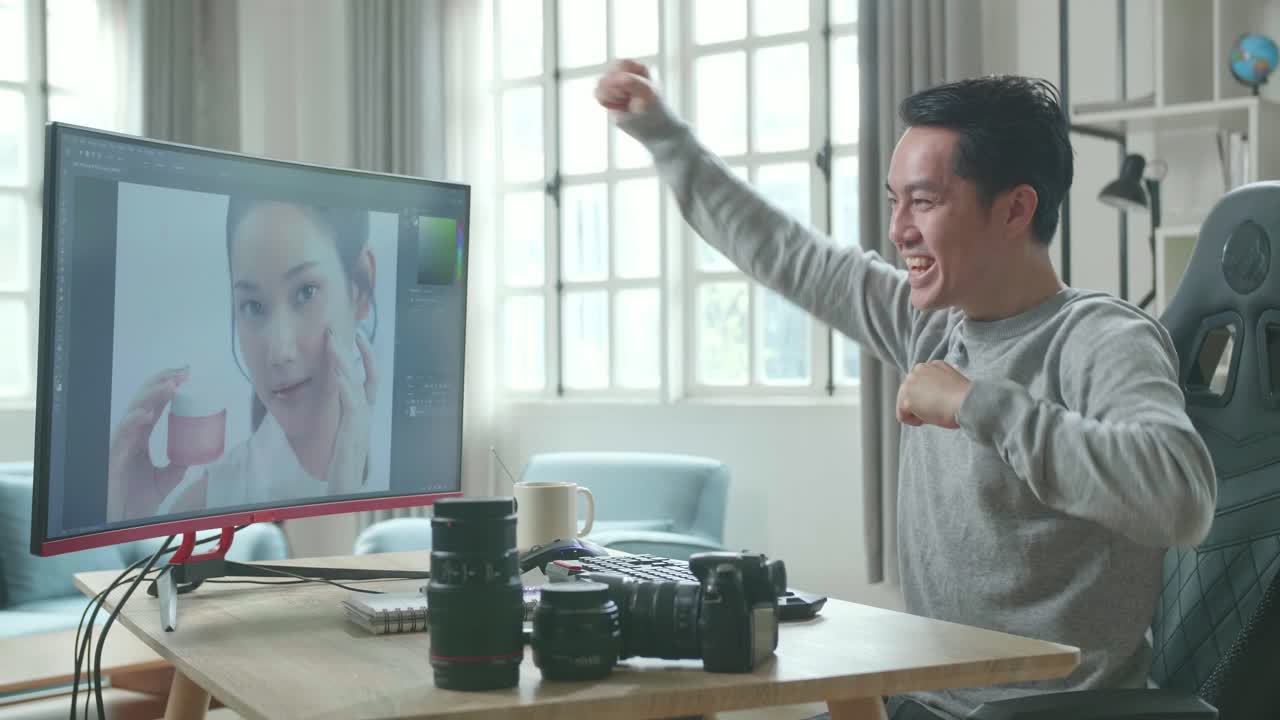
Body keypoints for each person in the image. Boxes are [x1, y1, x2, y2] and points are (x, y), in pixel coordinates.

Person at [595, 60, 1217, 720]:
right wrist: (662, 134)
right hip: (921, 698)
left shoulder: (1101, 337)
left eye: (923, 201)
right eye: (896, 202)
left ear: (1014, 209)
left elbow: (1180, 497)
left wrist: (974, 403)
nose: (898, 230)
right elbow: (783, 250)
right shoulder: (928, 322)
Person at [106, 198, 379, 523]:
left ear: (359, 288)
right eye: (253, 306)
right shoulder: (208, 504)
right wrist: (127, 522)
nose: (279, 351)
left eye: (306, 292)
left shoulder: (411, 474)